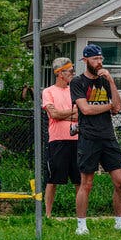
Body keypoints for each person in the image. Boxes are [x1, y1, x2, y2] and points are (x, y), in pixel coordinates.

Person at [70, 44, 121, 235]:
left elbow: (118, 108)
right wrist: (109, 106)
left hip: (108, 136)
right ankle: (81, 225)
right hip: (89, 136)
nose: (99, 62)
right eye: (95, 59)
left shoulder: (105, 81)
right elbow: (85, 109)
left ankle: (119, 221)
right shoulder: (78, 82)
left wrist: (111, 82)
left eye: (101, 59)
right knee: (86, 183)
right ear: (85, 60)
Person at [42, 57, 80, 218]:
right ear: (60, 73)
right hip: (57, 141)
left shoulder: (75, 90)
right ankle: (48, 215)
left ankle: (80, 214)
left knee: (80, 180)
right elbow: (53, 114)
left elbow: (81, 113)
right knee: (53, 179)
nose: (73, 73)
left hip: (78, 140)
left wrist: (62, 115)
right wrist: (72, 112)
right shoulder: (48, 91)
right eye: (70, 71)